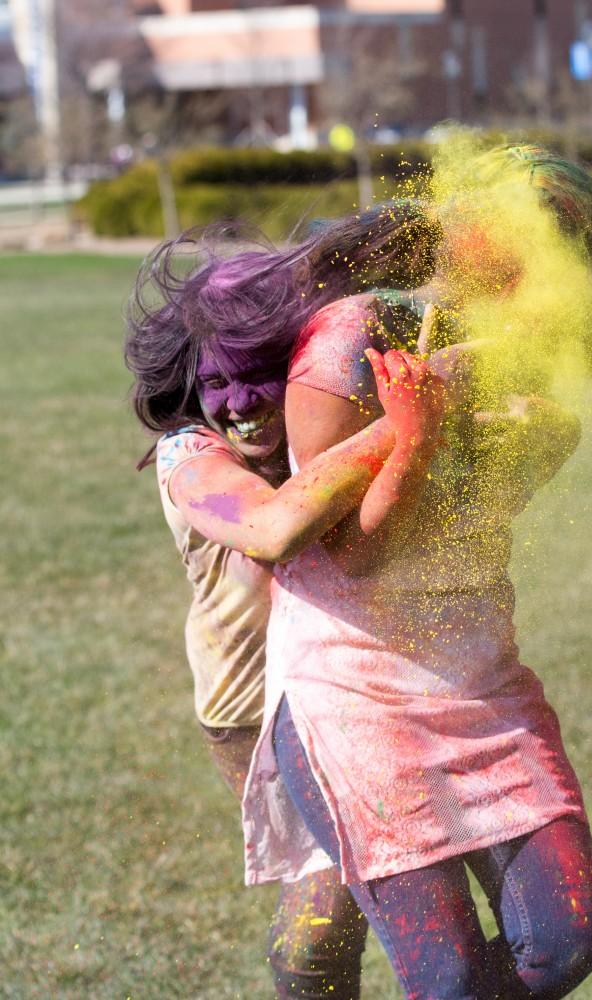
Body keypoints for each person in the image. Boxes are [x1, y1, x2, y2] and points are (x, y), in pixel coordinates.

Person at [241, 145, 592, 999]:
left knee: (565, 940)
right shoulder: (352, 335)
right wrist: (415, 429)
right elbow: (354, 555)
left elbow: (476, 512)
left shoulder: (540, 378)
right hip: (355, 691)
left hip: (481, 683)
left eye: (569, 247)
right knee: (446, 978)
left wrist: (514, 426)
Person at [124, 205, 447, 998]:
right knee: (318, 934)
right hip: (255, 720)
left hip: (362, 694)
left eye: (255, 376)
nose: (235, 404)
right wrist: (410, 427)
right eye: (214, 383)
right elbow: (273, 527)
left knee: (360, 912)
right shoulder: (188, 455)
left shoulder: (327, 419)